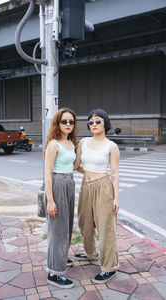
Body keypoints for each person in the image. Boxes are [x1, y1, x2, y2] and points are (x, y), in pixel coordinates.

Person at [74, 108, 120, 283]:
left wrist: (116, 197)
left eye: (97, 121)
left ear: (105, 123)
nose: (93, 124)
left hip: (104, 187)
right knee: (85, 222)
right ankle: (90, 252)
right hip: (86, 186)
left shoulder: (111, 146)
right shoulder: (83, 143)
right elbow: (76, 165)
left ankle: (109, 267)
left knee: (106, 228)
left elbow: (114, 173)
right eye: (91, 121)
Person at [44, 107, 77, 289]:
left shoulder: (70, 143)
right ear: (57, 123)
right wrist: (50, 200)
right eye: (64, 121)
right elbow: (47, 173)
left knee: (66, 227)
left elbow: (74, 165)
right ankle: (54, 274)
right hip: (57, 184)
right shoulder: (53, 144)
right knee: (58, 230)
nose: (68, 125)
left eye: (71, 122)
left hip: (69, 184)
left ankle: (61, 258)